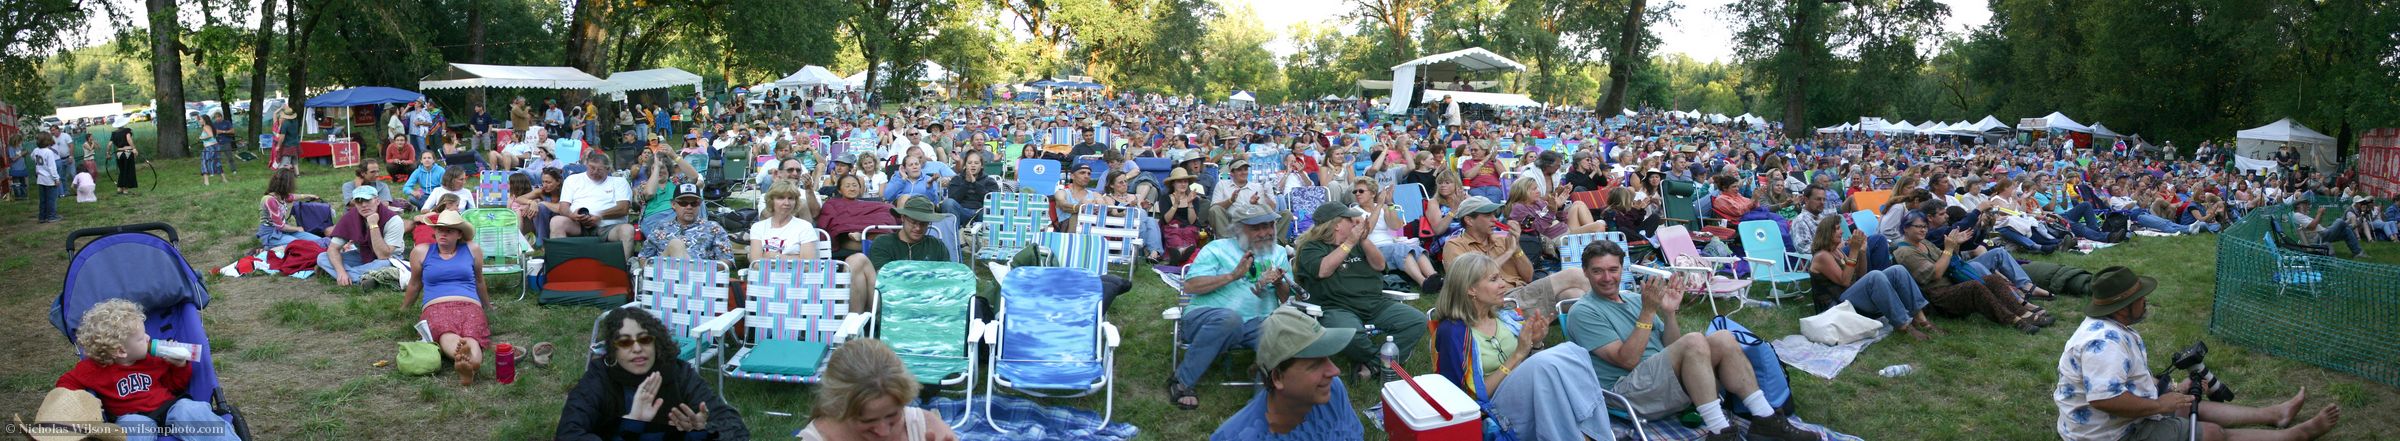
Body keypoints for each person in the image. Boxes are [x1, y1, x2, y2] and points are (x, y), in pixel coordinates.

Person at [2054, 267, 2341, 441]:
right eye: (2138, 299)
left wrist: (2169, 390)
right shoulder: (2105, 343)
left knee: (2186, 402)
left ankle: (2275, 414)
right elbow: (2106, 398)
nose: (2145, 301)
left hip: (2109, 423)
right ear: (2121, 307)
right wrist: (2158, 406)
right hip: (2109, 435)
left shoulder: (2113, 327)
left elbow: (2123, 383)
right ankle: (2295, 436)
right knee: (2213, 434)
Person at [1563, 240, 1811, 440]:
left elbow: (1671, 348)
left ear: (1622, 269)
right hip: (1628, 390)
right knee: (1694, 340)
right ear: (1585, 272)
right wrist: (1649, 312)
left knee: (1723, 337)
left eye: (1613, 269)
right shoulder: (1583, 312)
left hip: (1661, 381)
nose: (1607, 278)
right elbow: (1627, 360)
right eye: (1597, 271)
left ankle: (1765, 418)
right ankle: (1719, 431)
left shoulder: (1633, 299)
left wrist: (1669, 313)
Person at [53, 299, 244, 441]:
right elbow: (66, 384)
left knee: (190, 410)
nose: (148, 337)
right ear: (120, 351)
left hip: (170, 406)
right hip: (131, 417)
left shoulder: (153, 357)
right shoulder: (92, 369)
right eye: (140, 337)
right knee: (132, 429)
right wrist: (69, 404)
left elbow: (174, 386)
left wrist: (179, 366)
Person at [558, 307, 750, 440]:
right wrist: (632, 423)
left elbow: (734, 427)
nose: (637, 349)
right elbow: (568, 433)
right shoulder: (600, 377)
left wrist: (705, 430)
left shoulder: (678, 373)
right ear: (613, 350)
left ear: (655, 343)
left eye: (645, 339)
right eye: (625, 342)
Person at [1171, 203, 1292, 410]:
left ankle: (1263, 401)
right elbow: (1191, 286)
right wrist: (1232, 276)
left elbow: (1285, 297)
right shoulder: (1216, 249)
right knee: (1230, 319)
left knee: (1280, 331)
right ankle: (1182, 381)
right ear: (1238, 229)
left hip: (1257, 322)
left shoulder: (1279, 252)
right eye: (1257, 227)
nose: (1265, 233)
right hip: (1207, 319)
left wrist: (1279, 282)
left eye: (1269, 226)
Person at [1292, 201, 1424, 381]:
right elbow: (1323, 270)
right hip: (1337, 307)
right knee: (1350, 334)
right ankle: (1382, 363)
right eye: (1350, 220)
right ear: (1336, 224)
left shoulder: (1359, 243)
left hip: (1375, 304)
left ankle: (1374, 366)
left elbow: (1380, 265)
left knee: (1416, 320)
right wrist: (1350, 242)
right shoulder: (1312, 247)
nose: (1356, 223)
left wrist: (1363, 239)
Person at [1209, 305, 1362, 440]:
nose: (1335, 371)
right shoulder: (1238, 436)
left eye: (1328, 357)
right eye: (1315, 365)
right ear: (1277, 377)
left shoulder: (1333, 390)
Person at [1892, 210, 2050, 334]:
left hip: (1951, 284)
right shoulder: (1905, 252)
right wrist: (1948, 248)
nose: (1923, 230)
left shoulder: (1924, 242)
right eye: (1918, 226)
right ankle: (2013, 320)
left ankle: (2022, 312)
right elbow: (1936, 274)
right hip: (1939, 297)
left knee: (1992, 279)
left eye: (1925, 226)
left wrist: (1954, 246)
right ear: (1905, 228)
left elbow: (1949, 261)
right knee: (1974, 286)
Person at [1429, 253, 1553, 396]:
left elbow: (1532, 365)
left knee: (1570, 353)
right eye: (1494, 279)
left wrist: (1535, 343)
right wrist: (1517, 355)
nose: (1503, 284)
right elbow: (1465, 397)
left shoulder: (1506, 319)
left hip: (1529, 390)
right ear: (1470, 289)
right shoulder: (1453, 333)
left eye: (1500, 277)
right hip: (1495, 405)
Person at [796, 338, 957, 441]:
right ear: (838, 409)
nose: (883, 431)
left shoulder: (926, 427)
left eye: (893, 415)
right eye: (868, 421)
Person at [1806, 218, 1937, 340]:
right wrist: (1853, 251)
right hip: (1835, 306)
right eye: (1837, 228)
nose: (1841, 231)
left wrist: (1862, 252)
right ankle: (1902, 324)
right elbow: (1845, 282)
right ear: (1827, 232)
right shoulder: (1822, 256)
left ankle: (1920, 318)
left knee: (1897, 270)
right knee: (1875, 275)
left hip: (1847, 298)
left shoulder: (1837, 252)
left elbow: (1861, 277)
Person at [403, 211, 490, 386]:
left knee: (473, 332)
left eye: (449, 231)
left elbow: (480, 280)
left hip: (470, 304)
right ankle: (467, 359)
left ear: (459, 234)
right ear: (434, 231)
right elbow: (414, 284)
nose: (443, 233)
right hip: (436, 306)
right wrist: (403, 308)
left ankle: (470, 363)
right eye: (440, 229)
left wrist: (487, 306)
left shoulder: (472, 249)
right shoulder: (421, 251)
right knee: (445, 331)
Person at [845, 197, 951, 313]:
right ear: (903, 218)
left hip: (927, 303)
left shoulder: (936, 245)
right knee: (856, 260)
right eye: (913, 222)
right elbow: (884, 280)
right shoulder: (883, 242)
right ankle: (853, 326)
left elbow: (947, 280)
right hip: (888, 302)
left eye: (924, 224)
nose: (918, 228)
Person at [1355, 178, 1436, 290]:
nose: (1357, 194)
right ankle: (1423, 282)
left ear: (1373, 193)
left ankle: (1434, 277)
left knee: (1416, 248)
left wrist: (1390, 204)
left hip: (1390, 244)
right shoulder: (1355, 212)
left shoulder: (1383, 208)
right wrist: (1378, 206)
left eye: (1361, 191)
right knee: (1400, 249)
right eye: (1355, 192)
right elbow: (1368, 230)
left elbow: (1395, 226)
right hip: (1373, 248)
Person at [320, 187, 409, 287]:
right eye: (358, 202)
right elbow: (333, 249)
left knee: (382, 264)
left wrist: (373, 225)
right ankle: (365, 278)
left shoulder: (393, 220)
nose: (363, 205)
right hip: (362, 254)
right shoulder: (350, 217)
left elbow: (383, 255)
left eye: (367, 200)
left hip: (390, 259)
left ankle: (340, 274)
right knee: (322, 257)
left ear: (377, 201)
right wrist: (341, 272)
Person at [558, 152, 639, 258]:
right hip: (578, 225)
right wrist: (571, 215)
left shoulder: (619, 182)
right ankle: (560, 264)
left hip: (608, 227)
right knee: (557, 222)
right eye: (592, 168)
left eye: (600, 170)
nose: (595, 172)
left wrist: (599, 215)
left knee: (627, 230)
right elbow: (563, 207)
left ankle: (623, 269)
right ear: (586, 165)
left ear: (608, 170)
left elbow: (623, 208)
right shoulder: (572, 180)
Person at [1443, 196, 1534, 285]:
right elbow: (1468, 281)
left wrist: (1516, 248)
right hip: (1497, 298)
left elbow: (1529, 277)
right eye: (1488, 215)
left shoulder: (1503, 240)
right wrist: (1508, 252)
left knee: (1547, 282)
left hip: (1521, 292)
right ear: (1469, 220)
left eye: (1495, 214)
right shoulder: (1455, 246)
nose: (1495, 219)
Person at [640, 183, 734, 262]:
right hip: (664, 278)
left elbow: (727, 260)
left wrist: (701, 270)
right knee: (675, 245)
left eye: (694, 203)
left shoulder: (713, 228)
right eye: (683, 203)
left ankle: (686, 273)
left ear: (699, 204)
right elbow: (643, 257)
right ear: (673, 204)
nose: (689, 207)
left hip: (700, 279)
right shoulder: (660, 228)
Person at [750, 182, 821, 263]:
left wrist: (775, 256)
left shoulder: (805, 227)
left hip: (796, 275)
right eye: (781, 198)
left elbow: (808, 264)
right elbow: (755, 263)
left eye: (791, 198)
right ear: (771, 201)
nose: (787, 203)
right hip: (766, 275)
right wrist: (796, 258)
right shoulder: (758, 227)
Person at [257, 169, 323, 248]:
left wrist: (309, 196)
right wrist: (297, 228)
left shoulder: (281, 195)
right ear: (287, 184)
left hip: (285, 231)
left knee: (319, 241)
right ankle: (269, 247)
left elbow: (293, 197)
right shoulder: (270, 200)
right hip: (272, 234)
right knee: (302, 246)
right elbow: (280, 226)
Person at [942, 151, 996, 224]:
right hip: (962, 212)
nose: (973, 165)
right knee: (948, 203)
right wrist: (966, 183)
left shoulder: (989, 181)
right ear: (965, 165)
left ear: (982, 165)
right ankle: (954, 233)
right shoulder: (957, 179)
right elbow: (953, 199)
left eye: (976, 163)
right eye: (970, 163)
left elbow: (993, 201)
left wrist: (975, 183)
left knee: (993, 209)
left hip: (981, 212)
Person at [32, 136, 61, 223]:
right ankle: (52, 216)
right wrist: (56, 178)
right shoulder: (48, 152)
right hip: (49, 179)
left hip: (40, 178)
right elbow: (52, 167)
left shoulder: (36, 150)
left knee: (43, 199)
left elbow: (32, 157)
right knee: (51, 199)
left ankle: (42, 217)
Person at [111, 126, 137, 195]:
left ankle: (119, 188)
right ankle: (125, 189)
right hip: (128, 152)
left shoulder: (114, 133)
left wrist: (108, 153)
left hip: (119, 153)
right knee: (128, 170)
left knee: (122, 171)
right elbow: (128, 139)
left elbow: (110, 144)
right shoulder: (127, 131)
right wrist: (134, 148)